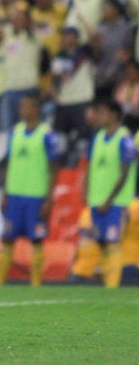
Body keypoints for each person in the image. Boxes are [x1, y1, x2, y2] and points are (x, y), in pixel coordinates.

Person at [0, 92, 61, 286]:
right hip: (14, 195)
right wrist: (5, 193)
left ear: (37, 109)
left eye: (26, 106)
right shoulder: (15, 131)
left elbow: (54, 168)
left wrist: (49, 199)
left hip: (36, 196)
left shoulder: (47, 134)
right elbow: (9, 164)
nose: (22, 110)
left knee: (36, 240)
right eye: (21, 106)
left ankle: (36, 283)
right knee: (7, 238)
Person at [84, 98, 137, 287]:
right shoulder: (96, 138)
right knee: (101, 242)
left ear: (114, 115)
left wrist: (110, 199)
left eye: (102, 112)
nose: (98, 116)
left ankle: (112, 287)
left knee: (113, 241)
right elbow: (89, 168)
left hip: (116, 202)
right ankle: (108, 283)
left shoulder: (125, 139)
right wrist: (87, 193)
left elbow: (124, 173)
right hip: (96, 199)